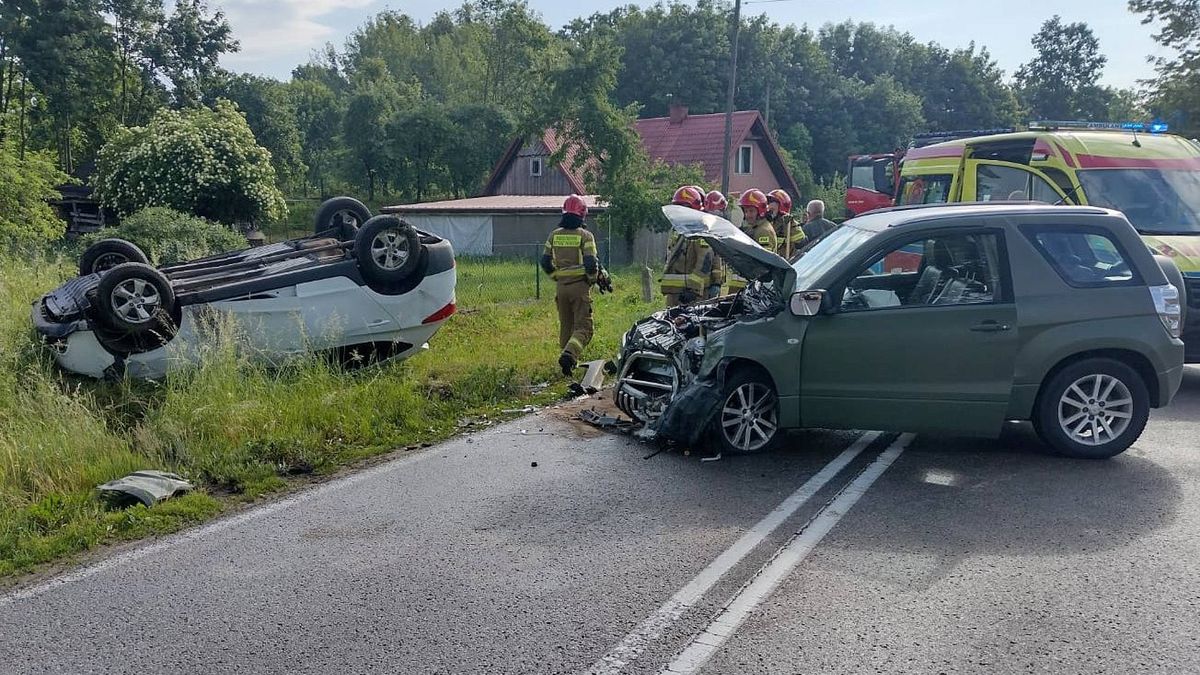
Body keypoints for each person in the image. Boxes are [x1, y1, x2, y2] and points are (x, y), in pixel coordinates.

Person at [541, 194, 598, 376]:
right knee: (584, 328)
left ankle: (567, 366)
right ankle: (570, 355)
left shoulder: (554, 235)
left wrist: (557, 276)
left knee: (566, 326)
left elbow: (544, 261)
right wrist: (592, 279)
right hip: (579, 287)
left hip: (561, 289)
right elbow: (590, 263)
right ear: (582, 214)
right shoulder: (585, 235)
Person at [661, 186, 713, 307]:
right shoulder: (678, 229)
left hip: (691, 296)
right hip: (674, 293)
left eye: (683, 208)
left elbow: (705, 260)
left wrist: (693, 291)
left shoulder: (699, 230)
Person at [727, 189, 776, 293]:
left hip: (751, 287)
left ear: (760, 211)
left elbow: (763, 261)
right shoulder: (754, 228)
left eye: (751, 211)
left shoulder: (764, 231)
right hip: (743, 286)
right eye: (746, 211)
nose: (748, 215)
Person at [766, 189, 805, 258]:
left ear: (781, 205)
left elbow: (801, 242)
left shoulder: (790, 223)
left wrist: (789, 226)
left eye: (772, 201)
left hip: (786, 262)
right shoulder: (767, 223)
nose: (768, 205)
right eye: (768, 202)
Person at [703, 190, 728, 298]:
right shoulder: (711, 228)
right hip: (710, 282)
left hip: (712, 281)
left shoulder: (716, 228)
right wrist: (717, 282)